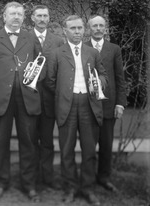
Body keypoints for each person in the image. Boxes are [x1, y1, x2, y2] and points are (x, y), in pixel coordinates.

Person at [0, 2, 42, 202]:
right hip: (1, 99)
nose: (16, 17)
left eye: (19, 14)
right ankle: (1, 182)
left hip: (26, 98)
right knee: (0, 143)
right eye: (12, 14)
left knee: (29, 144)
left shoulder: (32, 38)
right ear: (4, 16)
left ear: (24, 17)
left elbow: (41, 66)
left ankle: (29, 185)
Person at [46, 15, 108, 206]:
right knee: (66, 151)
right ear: (65, 31)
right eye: (73, 28)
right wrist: (65, 93)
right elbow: (50, 81)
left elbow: (104, 75)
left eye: (80, 28)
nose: (77, 32)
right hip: (67, 105)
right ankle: (70, 189)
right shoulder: (56, 53)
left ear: (84, 30)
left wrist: (99, 83)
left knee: (89, 150)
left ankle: (88, 189)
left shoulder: (92, 53)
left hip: (89, 106)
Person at [85, 15, 127, 192]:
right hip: (87, 104)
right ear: (89, 28)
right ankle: (87, 179)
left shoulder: (114, 49)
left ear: (105, 28)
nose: (98, 28)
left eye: (101, 25)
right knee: (88, 145)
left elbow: (119, 77)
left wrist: (120, 104)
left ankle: (103, 177)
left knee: (106, 144)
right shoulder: (82, 47)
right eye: (95, 25)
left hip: (109, 105)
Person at [30, 5, 63, 189]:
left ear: (49, 18)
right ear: (32, 18)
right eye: (39, 16)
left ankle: (48, 177)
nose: (42, 19)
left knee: (48, 140)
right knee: (30, 140)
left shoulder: (58, 41)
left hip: (50, 99)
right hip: (30, 98)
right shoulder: (25, 38)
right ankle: (32, 178)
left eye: (45, 16)